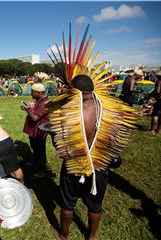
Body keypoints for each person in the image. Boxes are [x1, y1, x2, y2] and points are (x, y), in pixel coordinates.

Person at [45, 25, 137, 240]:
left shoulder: (66, 112)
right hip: (100, 165)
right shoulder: (110, 109)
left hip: (74, 165)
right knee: (95, 204)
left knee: (68, 203)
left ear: (74, 91)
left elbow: (59, 144)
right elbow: (117, 137)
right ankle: (92, 237)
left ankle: (64, 235)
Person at [21, 83, 49, 178]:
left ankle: (41, 170)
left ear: (38, 93)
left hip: (39, 132)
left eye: (32, 92)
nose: (31, 94)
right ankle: (35, 163)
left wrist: (28, 109)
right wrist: (30, 107)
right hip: (35, 130)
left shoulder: (44, 103)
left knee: (40, 150)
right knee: (35, 148)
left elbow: (35, 118)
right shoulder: (39, 100)